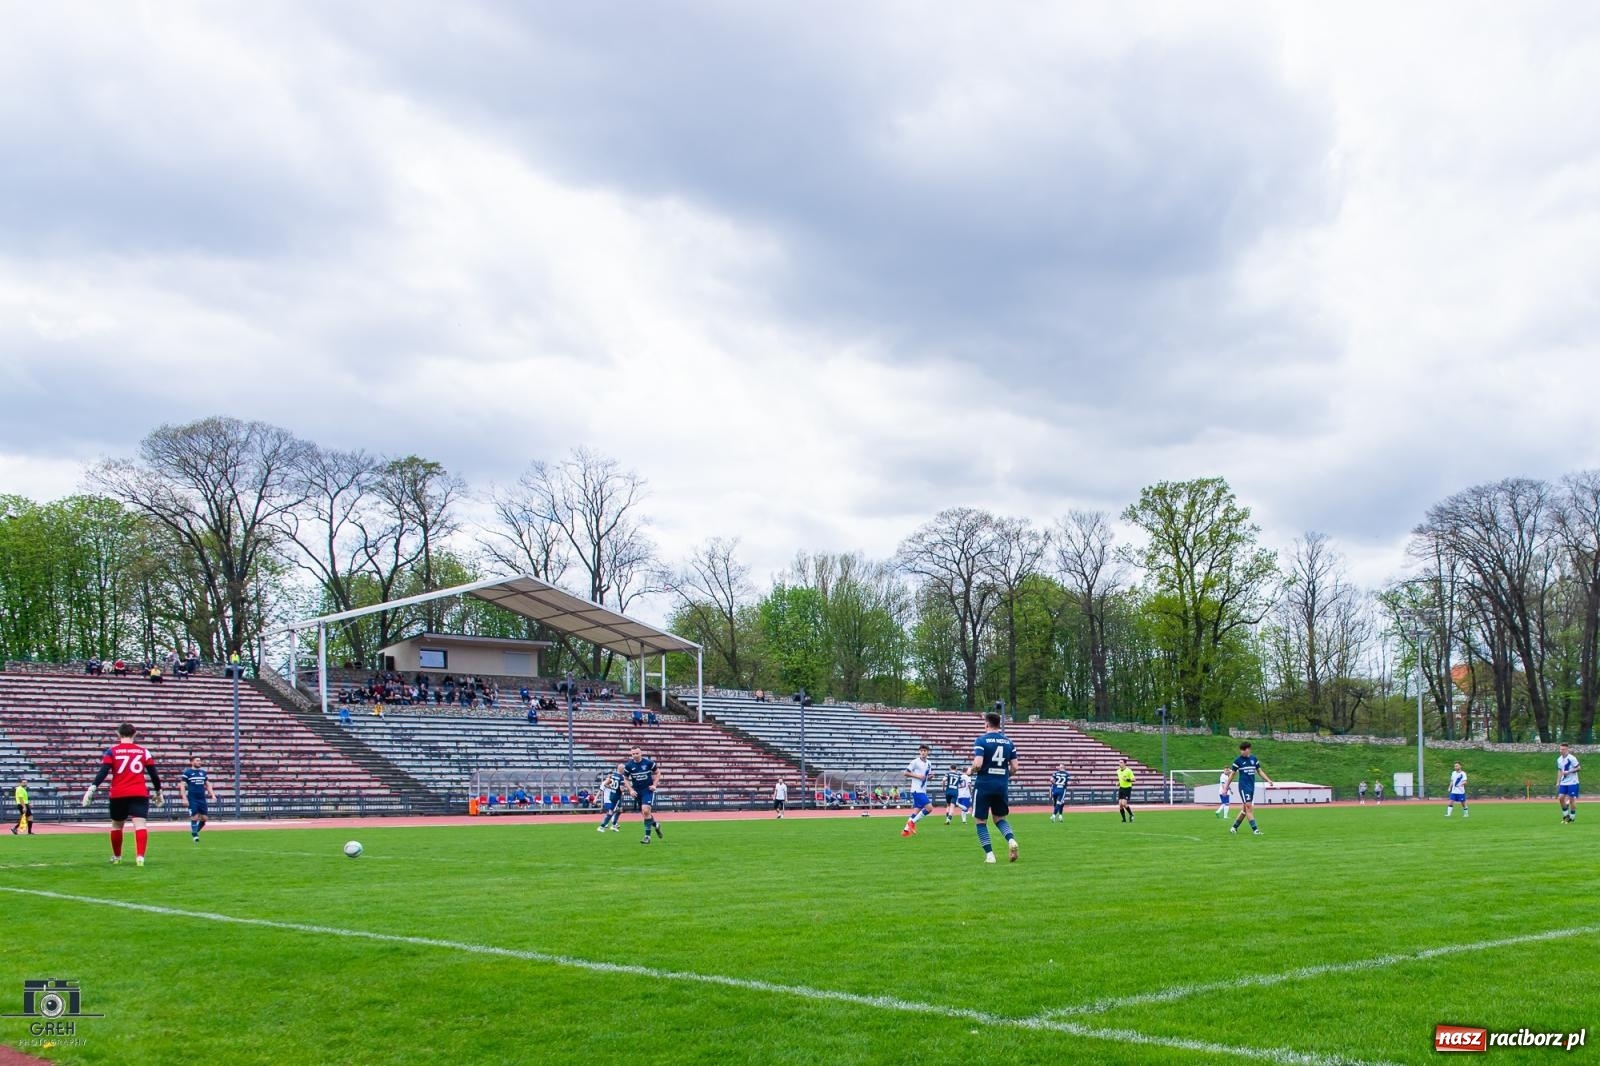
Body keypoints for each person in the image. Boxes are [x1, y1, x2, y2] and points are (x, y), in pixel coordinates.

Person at [82, 722, 162, 866]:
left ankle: (117, 857)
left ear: (118, 734)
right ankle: (140, 857)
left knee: (117, 826)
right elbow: (154, 774)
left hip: (118, 793)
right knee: (140, 824)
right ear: (135, 733)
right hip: (138, 792)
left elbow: (103, 771)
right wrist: (158, 791)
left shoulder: (112, 751)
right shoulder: (144, 752)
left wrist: (92, 788)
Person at [970, 709, 1019, 864]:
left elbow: (978, 764)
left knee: (980, 821)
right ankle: (1011, 840)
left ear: (986, 724)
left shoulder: (981, 740)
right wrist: (1004, 776)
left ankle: (990, 855)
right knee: (999, 818)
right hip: (1001, 786)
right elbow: (1015, 768)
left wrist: (970, 770)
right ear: (999, 725)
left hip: (984, 784)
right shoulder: (1009, 742)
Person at [1224, 741, 1274, 836]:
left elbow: (1259, 771)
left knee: (1244, 810)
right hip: (1243, 787)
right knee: (1249, 807)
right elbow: (1232, 775)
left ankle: (1234, 828)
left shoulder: (1254, 759)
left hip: (1251, 787)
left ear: (1249, 750)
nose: (1242, 752)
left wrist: (1268, 780)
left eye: (1244, 750)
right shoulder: (1238, 761)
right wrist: (1225, 787)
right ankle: (1255, 830)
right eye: (1241, 750)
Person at [622, 747, 663, 843]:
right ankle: (655, 824)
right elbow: (625, 779)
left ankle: (647, 837)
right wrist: (630, 790)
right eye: (633, 754)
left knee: (645, 810)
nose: (635, 755)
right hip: (637, 792)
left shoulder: (648, 763)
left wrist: (654, 785)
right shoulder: (628, 766)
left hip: (647, 790)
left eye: (637, 753)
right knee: (645, 814)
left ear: (641, 753)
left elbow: (658, 772)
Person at [181, 755, 218, 843]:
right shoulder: (187, 773)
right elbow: (182, 785)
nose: (199, 762)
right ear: (192, 762)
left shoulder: (203, 773)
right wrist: (184, 798)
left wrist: (213, 795)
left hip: (202, 798)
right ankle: (195, 835)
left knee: (204, 818)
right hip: (192, 798)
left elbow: (208, 784)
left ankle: (195, 831)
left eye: (200, 761)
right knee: (194, 817)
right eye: (197, 760)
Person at [900, 745, 934, 837]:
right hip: (916, 789)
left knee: (916, 811)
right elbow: (906, 773)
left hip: (923, 790)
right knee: (929, 808)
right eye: (921, 751)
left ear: (928, 752)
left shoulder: (929, 763)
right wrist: (917, 776)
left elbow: (927, 776)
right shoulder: (915, 762)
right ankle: (912, 822)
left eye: (925, 751)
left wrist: (930, 777)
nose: (923, 752)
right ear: (919, 752)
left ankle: (905, 831)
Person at [597, 764, 626, 832]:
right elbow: (621, 789)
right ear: (621, 769)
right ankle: (602, 826)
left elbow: (605, 784)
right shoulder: (621, 777)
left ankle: (613, 825)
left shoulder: (613, 775)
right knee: (611, 811)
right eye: (624, 769)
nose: (624, 770)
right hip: (617, 796)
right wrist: (626, 789)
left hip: (612, 795)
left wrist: (612, 788)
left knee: (620, 810)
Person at [1557, 743, 1580, 823]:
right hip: (1563, 782)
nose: (1561, 751)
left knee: (1571, 799)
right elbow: (1560, 770)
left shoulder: (1572, 758)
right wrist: (1558, 781)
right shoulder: (1559, 759)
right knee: (1560, 798)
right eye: (1560, 749)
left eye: (1563, 749)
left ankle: (1572, 817)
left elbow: (1578, 768)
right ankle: (1566, 815)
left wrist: (1569, 771)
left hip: (1572, 782)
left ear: (1567, 750)